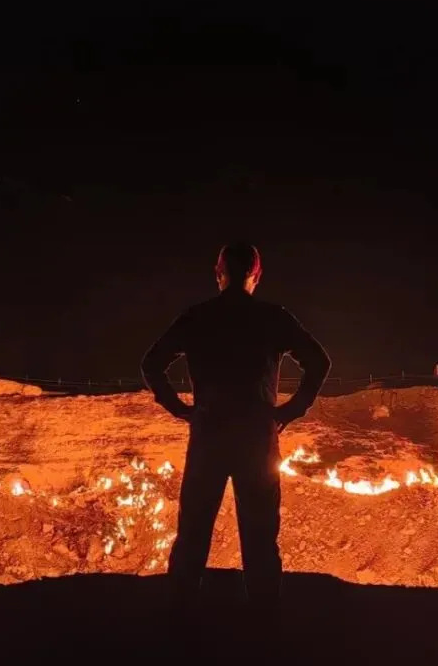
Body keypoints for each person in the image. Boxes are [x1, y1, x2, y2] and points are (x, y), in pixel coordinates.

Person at [141, 241, 331, 624]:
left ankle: (177, 623)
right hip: (257, 439)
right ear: (256, 276)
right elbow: (319, 362)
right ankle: (264, 624)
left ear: (219, 273)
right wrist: (290, 411)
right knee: (260, 538)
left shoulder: (198, 316)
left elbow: (151, 364)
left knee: (193, 534)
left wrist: (181, 409)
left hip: (209, 436)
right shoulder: (273, 318)